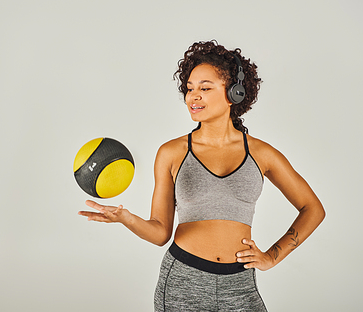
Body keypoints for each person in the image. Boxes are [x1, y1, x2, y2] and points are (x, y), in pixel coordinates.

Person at [78, 40, 325, 311]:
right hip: (183, 280)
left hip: (240, 284)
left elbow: (312, 208)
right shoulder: (171, 153)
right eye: (189, 89)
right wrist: (126, 218)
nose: (193, 96)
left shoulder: (263, 154)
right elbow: (160, 232)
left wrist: (273, 256)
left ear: (235, 92)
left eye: (205, 88)